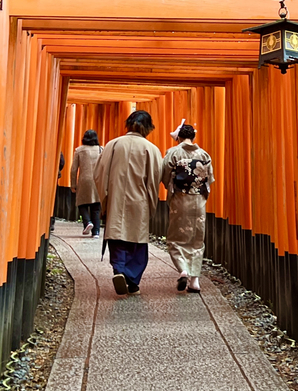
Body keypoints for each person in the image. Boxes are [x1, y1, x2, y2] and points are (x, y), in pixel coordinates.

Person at [94, 110, 163, 296]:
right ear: (148, 128)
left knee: (117, 237)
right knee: (137, 242)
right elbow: (155, 179)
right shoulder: (151, 149)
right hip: (139, 201)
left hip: (116, 198)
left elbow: (99, 174)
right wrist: (151, 204)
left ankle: (119, 270)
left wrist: (105, 198)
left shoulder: (113, 145)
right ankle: (132, 281)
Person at [161, 122, 214, 293]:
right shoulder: (204, 154)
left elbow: (165, 175)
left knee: (176, 238)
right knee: (197, 240)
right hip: (199, 201)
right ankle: (195, 281)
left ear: (180, 137)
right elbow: (209, 179)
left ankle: (183, 270)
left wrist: (170, 187)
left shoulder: (174, 152)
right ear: (193, 137)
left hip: (180, 199)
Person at [71, 129, 103, 237]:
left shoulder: (79, 150)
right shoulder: (101, 150)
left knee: (81, 203)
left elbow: (74, 169)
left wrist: (73, 184)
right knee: (96, 207)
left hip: (84, 180)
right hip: (98, 180)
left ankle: (87, 222)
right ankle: (96, 232)